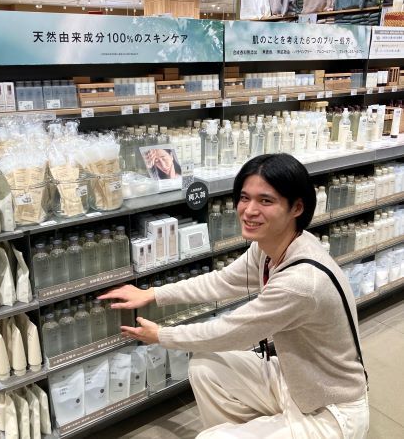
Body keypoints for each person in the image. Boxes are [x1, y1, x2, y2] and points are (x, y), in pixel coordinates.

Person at [99, 153, 369, 438]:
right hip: (294, 380)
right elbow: (221, 282)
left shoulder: (300, 283)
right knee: (204, 366)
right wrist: (153, 293)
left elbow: (230, 332)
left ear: (297, 208)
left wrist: (161, 335)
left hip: (330, 408)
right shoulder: (270, 248)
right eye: (244, 198)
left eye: (266, 201)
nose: (249, 210)